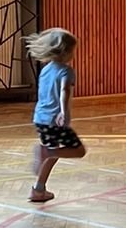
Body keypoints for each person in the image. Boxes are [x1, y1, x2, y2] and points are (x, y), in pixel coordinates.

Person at [26, 28, 86, 204]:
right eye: (73, 51)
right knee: (78, 151)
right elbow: (64, 91)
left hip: (40, 119)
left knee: (53, 154)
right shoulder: (66, 71)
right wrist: (63, 112)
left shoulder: (46, 69)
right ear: (65, 52)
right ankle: (46, 152)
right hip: (54, 120)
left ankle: (38, 190)